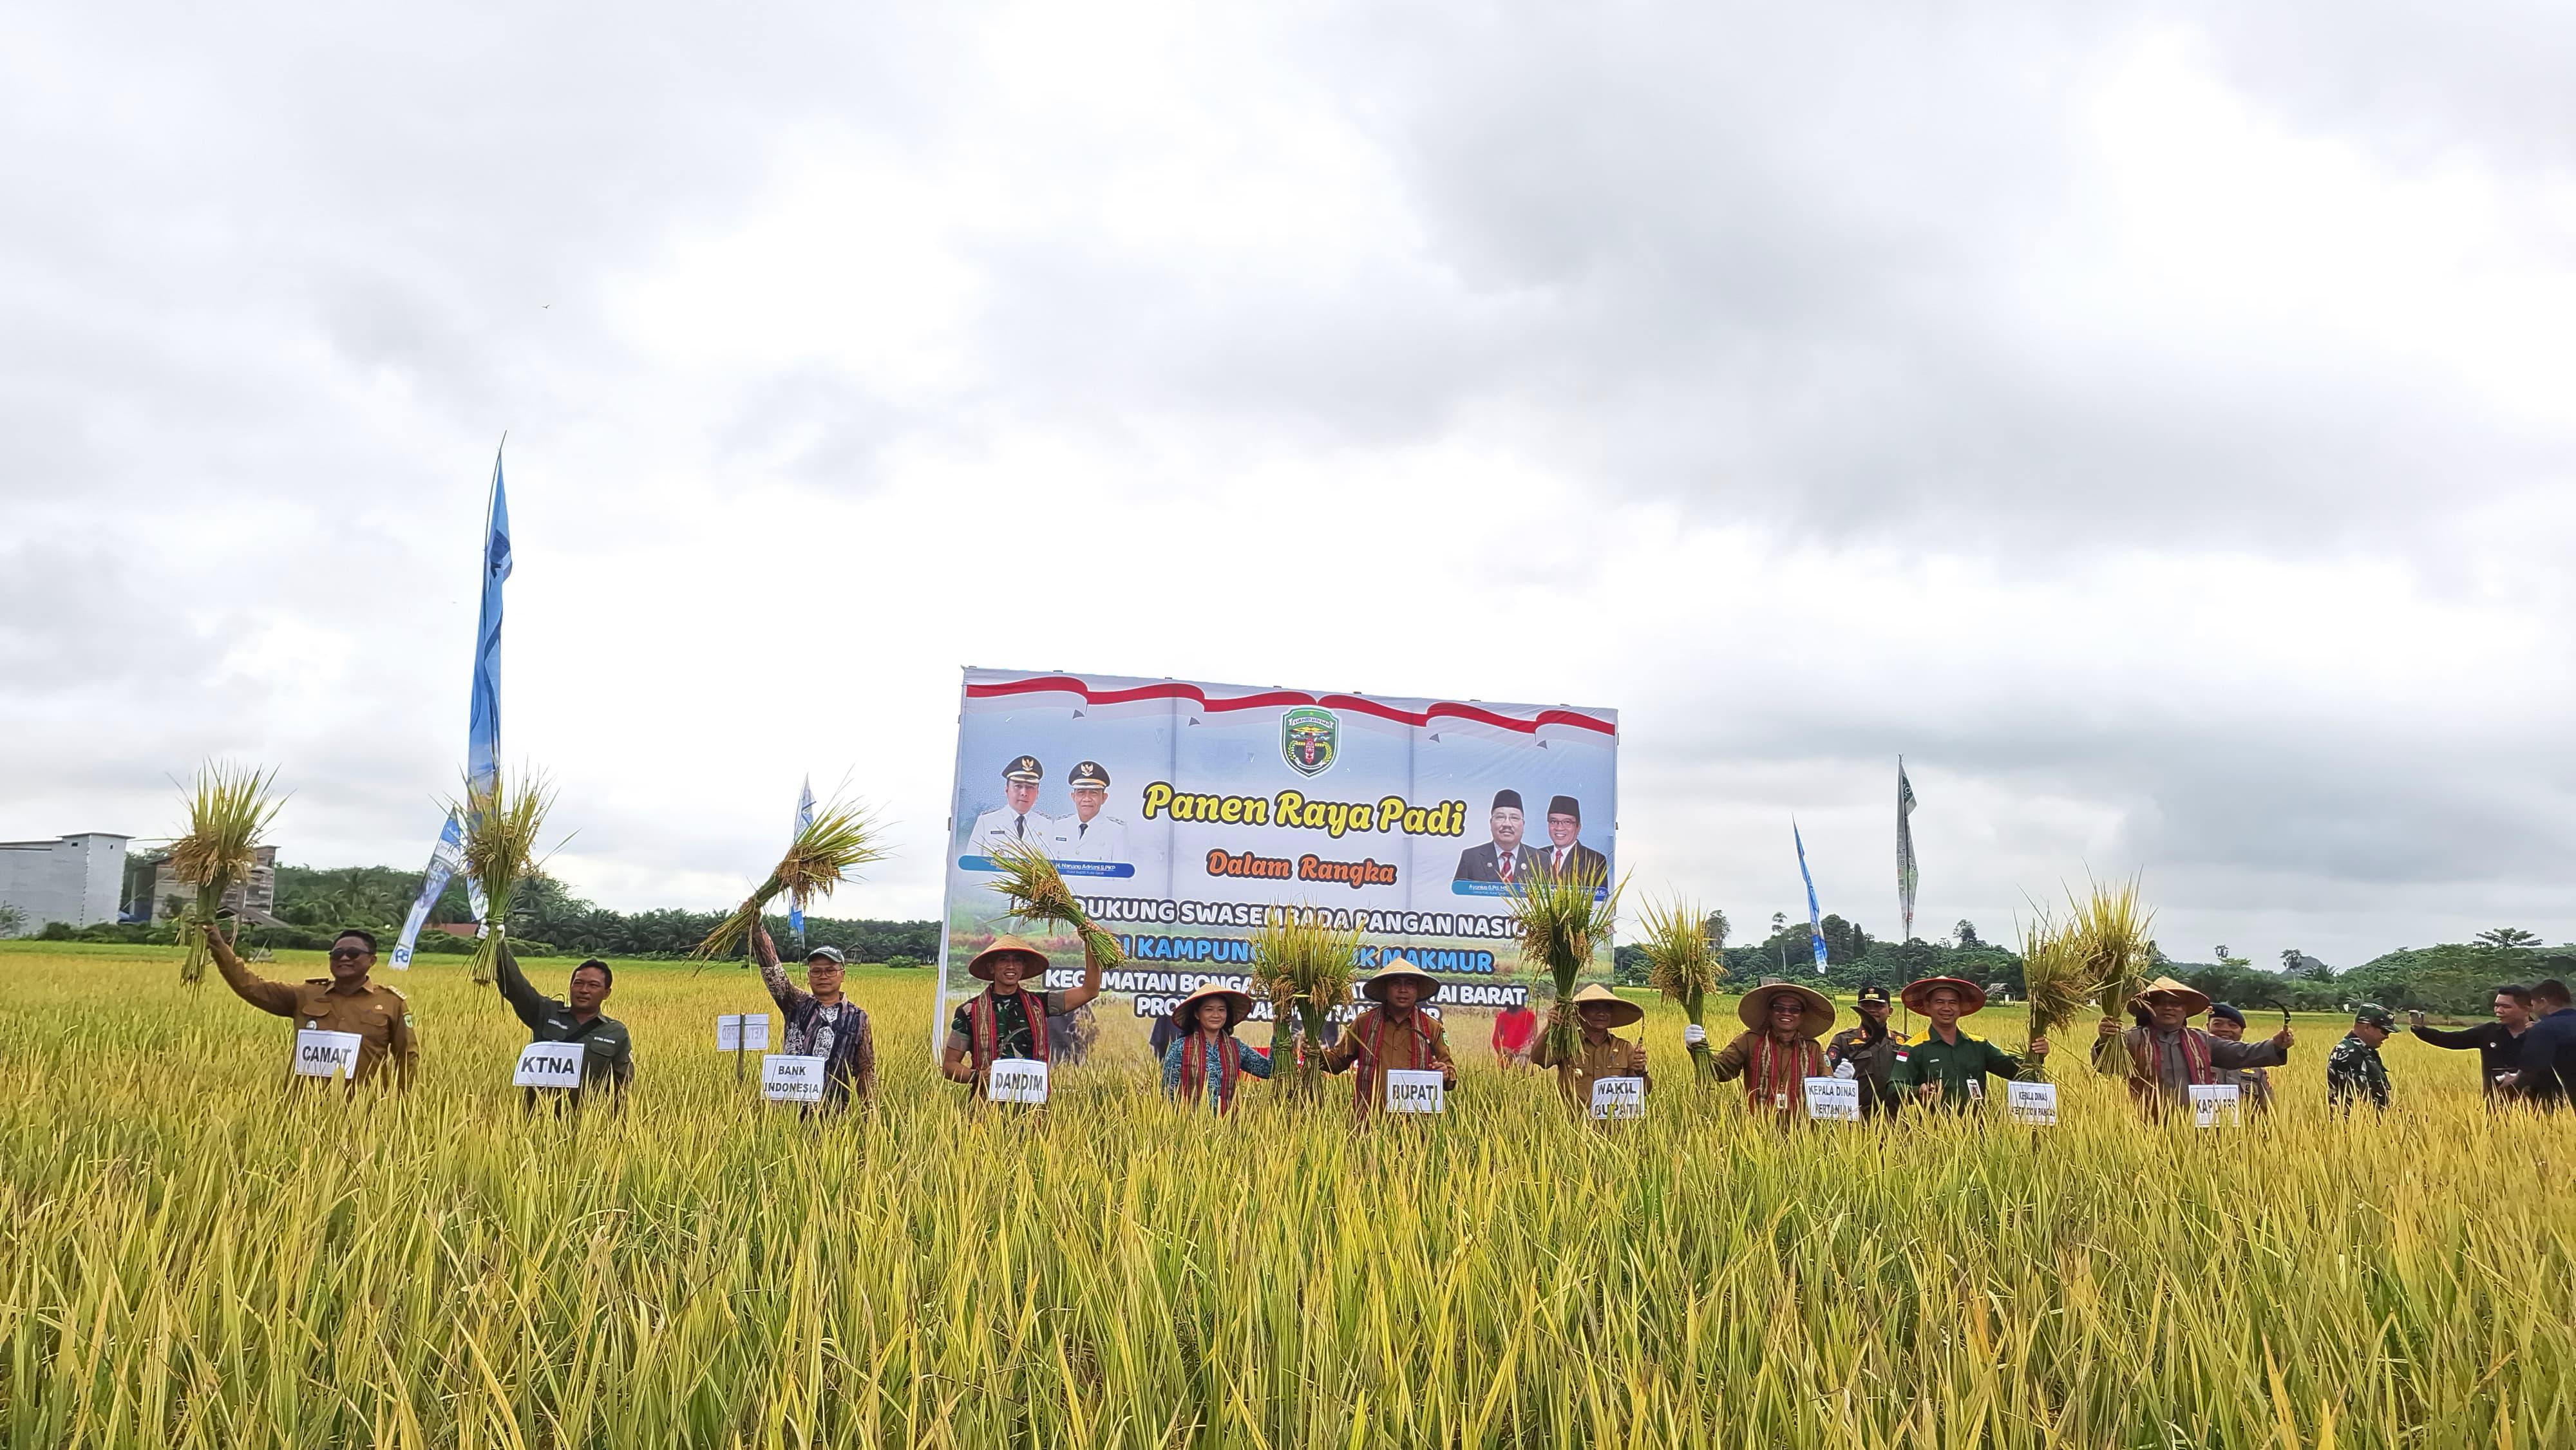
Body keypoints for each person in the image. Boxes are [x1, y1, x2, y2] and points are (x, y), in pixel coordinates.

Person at [202, 921, 415, 1091]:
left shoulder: (390, 1002)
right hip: (304, 1108)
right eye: (337, 954)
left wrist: (399, 1107)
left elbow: (407, 1056)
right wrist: (219, 947)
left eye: (353, 954)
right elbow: (251, 987)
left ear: (372, 961)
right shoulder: (305, 994)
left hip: (364, 1111)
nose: (344, 958)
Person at [2098, 977, 2292, 1118]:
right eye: (2161, 1003)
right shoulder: (2132, 1039)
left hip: (2200, 1129)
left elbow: (2240, 1053)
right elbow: (2107, 1066)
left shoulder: (2202, 1040)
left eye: (2175, 1004)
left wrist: (2275, 1045)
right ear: (2149, 1009)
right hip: (2148, 1125)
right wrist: (2106, 1040)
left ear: (2186, 1011)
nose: (2169, 1008)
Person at [941, 932, 1106, 1093]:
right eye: (1003, 960)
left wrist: (1090, 943)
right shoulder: (970, 1011)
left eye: (1017, 960)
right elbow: (949, 1066)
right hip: (985, 1110)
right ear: (992, 967)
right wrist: (979, 1076)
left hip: (1033, 1109)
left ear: (1023, 967)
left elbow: (1089, 991)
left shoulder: (1040, 1004)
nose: (1011, 966)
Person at [492, 943, 633, 1108]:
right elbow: (516, 988)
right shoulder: (546, 1013)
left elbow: (623, 1085)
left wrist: (619, 1128)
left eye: (593, 985)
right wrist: (498, 945)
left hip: (588, 1124)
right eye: (578, 983)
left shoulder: (615, 1032)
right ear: (570, 986)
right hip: (538, 1119)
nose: (584, 990)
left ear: (606, 993)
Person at [1317, 959, 1457, 1119]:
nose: (1403, 990)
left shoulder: (1431, 1028)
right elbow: (1337, 1062)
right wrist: (1314, 1053)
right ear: (1385, 988)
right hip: (1368, 1124)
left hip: (1416, 1130)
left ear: (1417, 990)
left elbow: (1450, 1073)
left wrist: (1445, 1074)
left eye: (1410, 984)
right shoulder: (1364, 1023)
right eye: (1396, 983)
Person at [753, 932, 876, 1112]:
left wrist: (869, 1116)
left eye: (830, 970)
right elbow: (773, 972)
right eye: (816, 971)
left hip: (835, 1116)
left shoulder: (858, 1017)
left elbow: (865, 1070)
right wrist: (757, 929)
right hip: (788, 1113)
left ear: (842, 975)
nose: (823, 976)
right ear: (808, 976)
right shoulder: (795, 1003)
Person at [1889, 977, 2044, 1109]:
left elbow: (2015, 1071)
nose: (1947, 1008)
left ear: (1961, 1007)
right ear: (1928, 1006)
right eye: (1939, 1002)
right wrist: (1918, 1091)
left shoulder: (1979, 1045)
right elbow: (1893, 1088)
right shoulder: (1913, 1048)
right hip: (1932, 1134)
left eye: (1953, 1002)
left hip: (1977, 1134)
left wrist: (2037, 1056)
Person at [1694, 981, 1835, 1118]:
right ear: (1770, 1012)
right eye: (1779, 1008)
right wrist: (1697, 1047)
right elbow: (1718, 1072)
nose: (1786, 1013)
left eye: (1794, 1010)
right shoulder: (1750, 1040)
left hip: (1803, 1133)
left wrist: (1839, 1083)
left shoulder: (1813, 1048)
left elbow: (1826, 1086)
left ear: (1802, 1016)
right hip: (1757, 1130)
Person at [1530, 984, 1649, 1115]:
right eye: (1594, 1007)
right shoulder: (1568, 1044)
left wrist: (1641, 1071)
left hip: (1615, 1130)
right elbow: (1540, 1060)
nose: (1602, 1013)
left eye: (1607, 1008)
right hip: (1573, 1126)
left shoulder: (1624, 1048)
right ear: (1579, 1012)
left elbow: (1643, 1091)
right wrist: (1550, 1027)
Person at [1160, 982, 1274, 1115]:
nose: (1216, 1015)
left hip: (1228, 1128)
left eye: (1221, 1010)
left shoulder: (1236, 1047)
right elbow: (1168, 1093)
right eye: (1209, 1009)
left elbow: (1269, 1070)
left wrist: (1278, 1036)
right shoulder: (1180, 1048)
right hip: (1189, 1129)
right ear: (1197, 1014)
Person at [2409, 985, 2536, 1103]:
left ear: (2527, 1009)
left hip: (2537, 1106)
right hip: (2495, 1107)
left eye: (2506, 1007)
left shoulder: (2543, 1034)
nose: (2498, 1011)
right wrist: (2420, 1030)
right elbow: (2451, 1039)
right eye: (2496, 1006)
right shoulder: (2488, 1032)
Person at [1826, 984, 1907, 1117]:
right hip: (1856, 1118)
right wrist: (1837, 1080)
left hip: (1896, 1118)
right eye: (1866, 1006)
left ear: (1890, 1011)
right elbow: (1825, 1077)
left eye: (1879, 1006)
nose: (1872, 1010)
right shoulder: (1843, 1040)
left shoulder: (1904, 1042)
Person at [965, 755, 1052, 856]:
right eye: (1018, 786)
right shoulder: (986, 823)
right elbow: (971, 866)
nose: (1024, 793)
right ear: (1006, 789)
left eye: (1030, 787)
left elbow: (1056, 867)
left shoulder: (1048, 826)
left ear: (1038, 792)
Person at [1045, 760, 1130, 863]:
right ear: (1073, 797)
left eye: (1093, 793)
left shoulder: (1116, 831)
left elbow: (1122, 876)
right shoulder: (1059, 827)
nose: (1087, 799)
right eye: (1081, 793)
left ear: (1104, 798)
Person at [2510, 979, 2576, 1108]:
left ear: (2544, 1002)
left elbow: (2532, 1067)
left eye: (2533, 1005)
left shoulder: (2545, 1028)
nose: (2532, 1010)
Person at [1453, 791, 1541, 884]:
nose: (1507, 824)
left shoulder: (1541, 860)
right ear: (1491, 823)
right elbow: (1458, 897)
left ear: (1523, 824)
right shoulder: (1471, 858)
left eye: (1514, 818)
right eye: (1500, 817)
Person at [2326, 1004, 2397, 1113]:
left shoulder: (2365, 1051)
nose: (2387, 1036)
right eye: (2385, 1031)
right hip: (2356, 1126)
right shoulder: (2350, 1054)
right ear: (2367, 1027)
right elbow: (2356, 1102)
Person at [2204, 1004, 2273, 1113]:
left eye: (2233, 1026)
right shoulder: (2194, 1060)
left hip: (2247, 1129)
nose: (2225, 1029)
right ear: (2207, 1027)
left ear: (2242, 1032)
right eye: (2218, 1024)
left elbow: (2267, 1109)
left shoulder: (2257, 1069)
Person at [1534, 796, 1609, 885]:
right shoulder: (1536, 856)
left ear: (1578, 827)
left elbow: (1598, 897)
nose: (1559, 828)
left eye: (1567, 822)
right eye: (1554, 821)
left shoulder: (1594, 861)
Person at [1490, 999, 1539, 1068]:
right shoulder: (1502, 1016)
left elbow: (1533, 1039)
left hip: (1524, 1059)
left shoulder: (1531, 1016)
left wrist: (1524, 1052)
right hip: (1506, 1060)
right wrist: (1504, 1050)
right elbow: (1496, 1041)